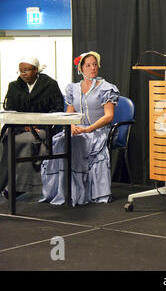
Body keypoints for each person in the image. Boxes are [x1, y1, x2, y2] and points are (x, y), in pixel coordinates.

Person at [40, 51, 120, 206]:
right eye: (88, 65)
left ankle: (78, 194)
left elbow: (109, 116)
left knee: (76, 144)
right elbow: (69, 112)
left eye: (95, 64)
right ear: (81, 68)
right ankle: (63, 191)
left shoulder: (106, 88)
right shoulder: (73, 88)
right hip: (77, 129)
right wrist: (71, 126)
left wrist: (88, 129)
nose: (93, 68)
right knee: (61, 141)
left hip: (98, 131)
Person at [0, 56, 64, 197]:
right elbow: (10, 110)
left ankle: (18, 186)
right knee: (8, 139)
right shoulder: (14, 86)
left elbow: (57, 109)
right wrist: (24, 126)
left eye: (26, 70)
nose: (23, 73)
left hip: (42, 129)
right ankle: (4, 184)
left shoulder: (50, 85)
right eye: (20, 71)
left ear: (36, 70)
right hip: (18, 128)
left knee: (24, 141)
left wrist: (39, 125)